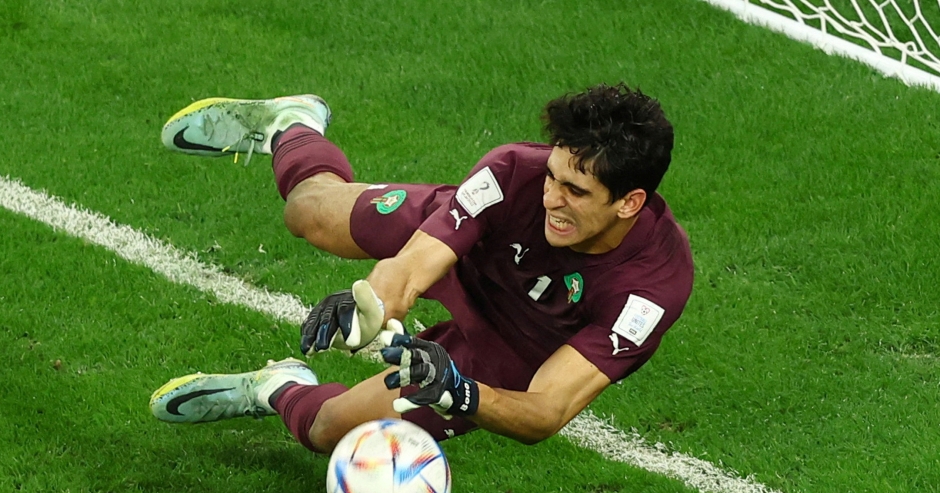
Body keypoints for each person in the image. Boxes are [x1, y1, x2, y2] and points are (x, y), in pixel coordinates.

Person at [149, 84, 693, 453]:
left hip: (512, 347)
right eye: (552, 176)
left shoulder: (650, 289)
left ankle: (276, 387)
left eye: (575, 191)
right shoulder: (512, 173)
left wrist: (460, 391)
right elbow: (413, 267)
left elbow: (547, 409)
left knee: (329, 430)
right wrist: (372, 304)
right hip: (473, 253)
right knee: (309, 214)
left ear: (629, 202)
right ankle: (292, 125)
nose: (551, 198)